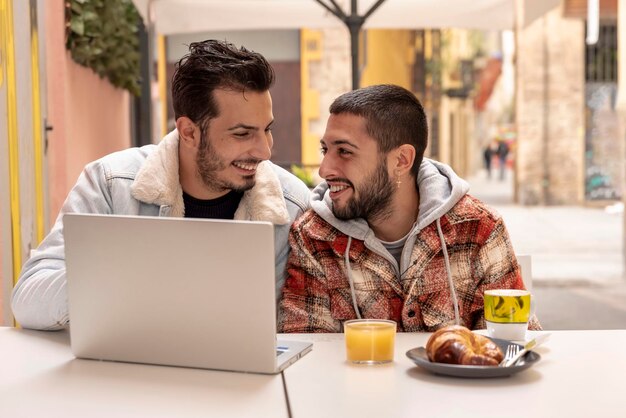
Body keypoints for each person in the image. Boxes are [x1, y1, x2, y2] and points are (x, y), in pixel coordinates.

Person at [12, 40, 311, 330]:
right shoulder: (109, 184)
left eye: (266, 130)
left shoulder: (293, 205)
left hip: (247, 379)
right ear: (189, 132)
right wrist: (123, 281)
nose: (264, 151)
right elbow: (28, 298)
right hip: (129, 375)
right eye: (243, 134)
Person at [278, 84, 540, 333]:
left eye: (344, 151)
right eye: (326, 150)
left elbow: (510, 344)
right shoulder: (313, 236)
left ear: (401, 160)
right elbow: (309, 356)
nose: (324, 170)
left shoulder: (477, 228)